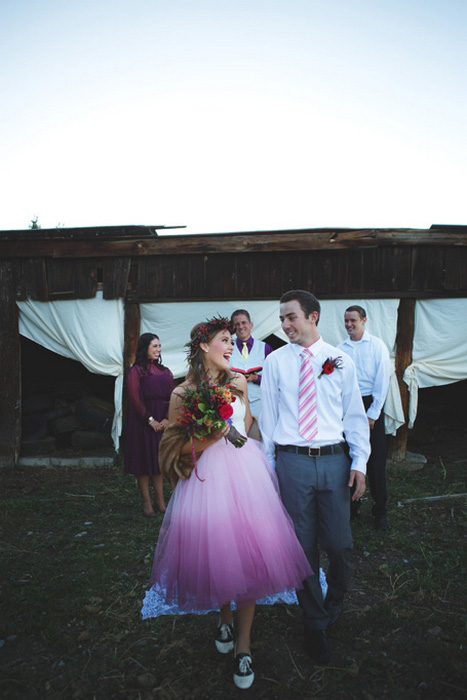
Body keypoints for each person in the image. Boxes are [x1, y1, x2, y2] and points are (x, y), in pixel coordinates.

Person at [144, 317, 312, 690]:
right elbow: (170, 450)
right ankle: (223, 616)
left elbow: (248, 423)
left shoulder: (237, 382)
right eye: (225, 340)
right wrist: (212, 435)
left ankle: (244, 645)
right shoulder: (182, 394)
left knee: (250, 557)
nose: (232, 345)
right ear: (205, 346)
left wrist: (248, 438)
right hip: (206, 485)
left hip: (247, 480)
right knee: (221, 555)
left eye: (232, 340)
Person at [260, 290, 370, 665]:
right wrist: (270, 467)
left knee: (339, 544)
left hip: (334, 460)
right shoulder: (275, 361)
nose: (285, 325)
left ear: (313, 316)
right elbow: (269, 417)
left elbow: (354, 416)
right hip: (292, 462)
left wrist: (360, 464)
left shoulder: (340, 360)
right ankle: (314, 622)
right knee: (302, 546)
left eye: (291, 317)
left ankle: (333, 601)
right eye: (282, 319)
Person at [338, 305, 391, 531]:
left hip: (371, 405)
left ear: (364, 321)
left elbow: (382, 381)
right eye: (346, 321)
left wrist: (372, 415)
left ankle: (380, 511)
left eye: (353, 320)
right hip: (348, 406)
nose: (349, 324)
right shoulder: (340, 349)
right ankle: (353, 508)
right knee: (350, 460)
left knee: (376, 462)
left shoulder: (377, 345)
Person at [124, 333, 174, 516]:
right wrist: (149, 419)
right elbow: (135, 398)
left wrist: (168, 418)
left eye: (159, 346)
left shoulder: (165, 371)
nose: (158, 349)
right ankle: (147, 503)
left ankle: (161, 502)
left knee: (157, 462)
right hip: (142, 421)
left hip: (162, 420)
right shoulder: (136, 371)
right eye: (154, 346)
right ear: (145, 348)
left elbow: (172, 396)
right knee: (143, 463)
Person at [230, 309, 273, 418]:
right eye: (237, 324)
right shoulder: (227, 348)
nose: (241, 327)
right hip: (234, 402)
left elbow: (274, 378)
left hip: (259, 403)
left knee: (258, 433)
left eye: (244, 323)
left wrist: (256, 378)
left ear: (251, 324)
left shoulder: (265, 348)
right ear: (233, 328)